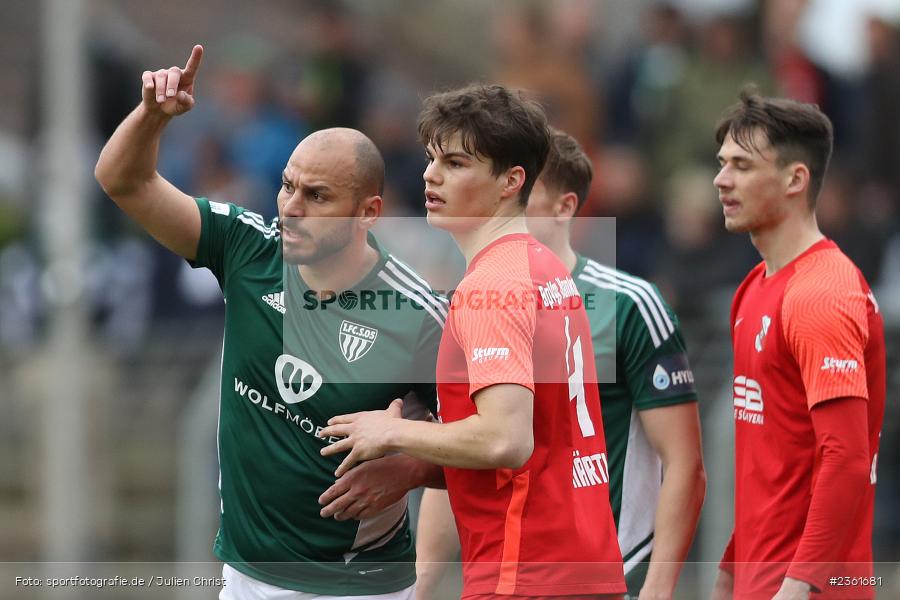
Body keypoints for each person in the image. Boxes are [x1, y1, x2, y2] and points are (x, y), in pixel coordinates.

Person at [94, 45, 447, 599]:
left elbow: (497, 447)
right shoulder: (246, 248)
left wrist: (410, 470)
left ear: (368, 212)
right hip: (243, 576)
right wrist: (151, 117)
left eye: (317, 195)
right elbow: (124, 182)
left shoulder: (420, 314)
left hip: (356, 586)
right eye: (287, 186)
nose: (291, 206)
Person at [320, 84, 626, 599]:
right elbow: (538, 444)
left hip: (525, 574)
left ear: (511, 181)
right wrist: (419, 468)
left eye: (457, 163)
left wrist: (392, 433)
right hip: (578, 565)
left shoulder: (493, 284)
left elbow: (506, 439)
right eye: (430, 158)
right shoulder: (544, 267)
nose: (430, 174)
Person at [414, 129, 707, 599]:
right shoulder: (474, 296)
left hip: (611, 563)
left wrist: (658, 588)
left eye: (527, 196)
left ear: (565, 208)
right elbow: (463, 449)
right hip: (524, 564)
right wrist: (423, 585)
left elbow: (685, 463)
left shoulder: (628, 303)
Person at [711, 91, 885, 600]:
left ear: (795, 179)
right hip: (763, 578)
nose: (721, 181)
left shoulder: (819, 293)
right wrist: (733, 561)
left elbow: (847, 456)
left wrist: (798, 585)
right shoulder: (754, 287)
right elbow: (777, 455)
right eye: (722, 164)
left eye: (741, 166)